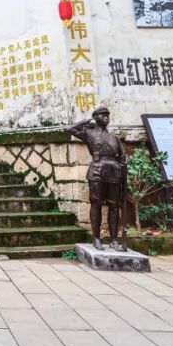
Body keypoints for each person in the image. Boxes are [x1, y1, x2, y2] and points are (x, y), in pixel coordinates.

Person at [68, 106, 127, 251]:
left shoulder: (114, 137)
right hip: (97, 170)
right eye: (102, 115)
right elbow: (71, 129)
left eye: (107, 115)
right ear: (96, 118)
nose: (106, 117)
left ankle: (114, 240)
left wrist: (121, 169)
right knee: (96, 204)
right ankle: (96, 238)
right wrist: (89, 120)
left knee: (114, 206)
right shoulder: (89, 132)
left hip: (113, 171)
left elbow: (122, 156)